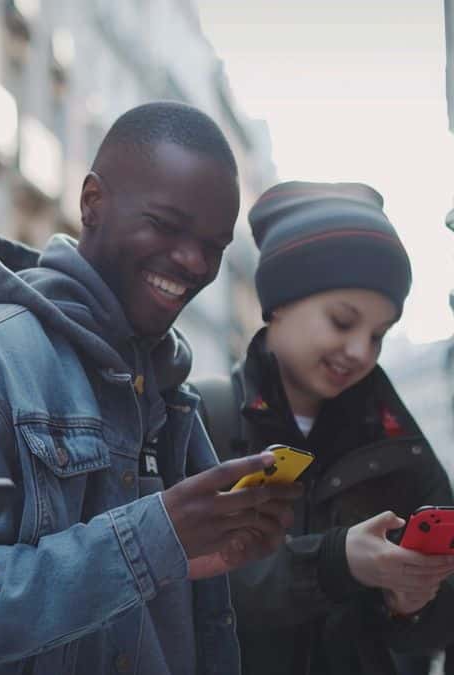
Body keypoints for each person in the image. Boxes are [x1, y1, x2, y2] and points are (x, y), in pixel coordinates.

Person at [0, 101, 303, 674]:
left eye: (214, 247)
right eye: (165, 224)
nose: (192, 262)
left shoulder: (169, 392)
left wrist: (196, 556)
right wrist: (153, 539)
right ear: (92, 203)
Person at [191, 181, 454, 675]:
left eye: (379, 335)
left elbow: (439, 627)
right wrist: (336, 562)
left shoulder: (398, 443)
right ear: (278, 305)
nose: (360, 351)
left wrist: (411, 602)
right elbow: (174, 586)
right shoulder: (203, 416)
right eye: (342, 321)